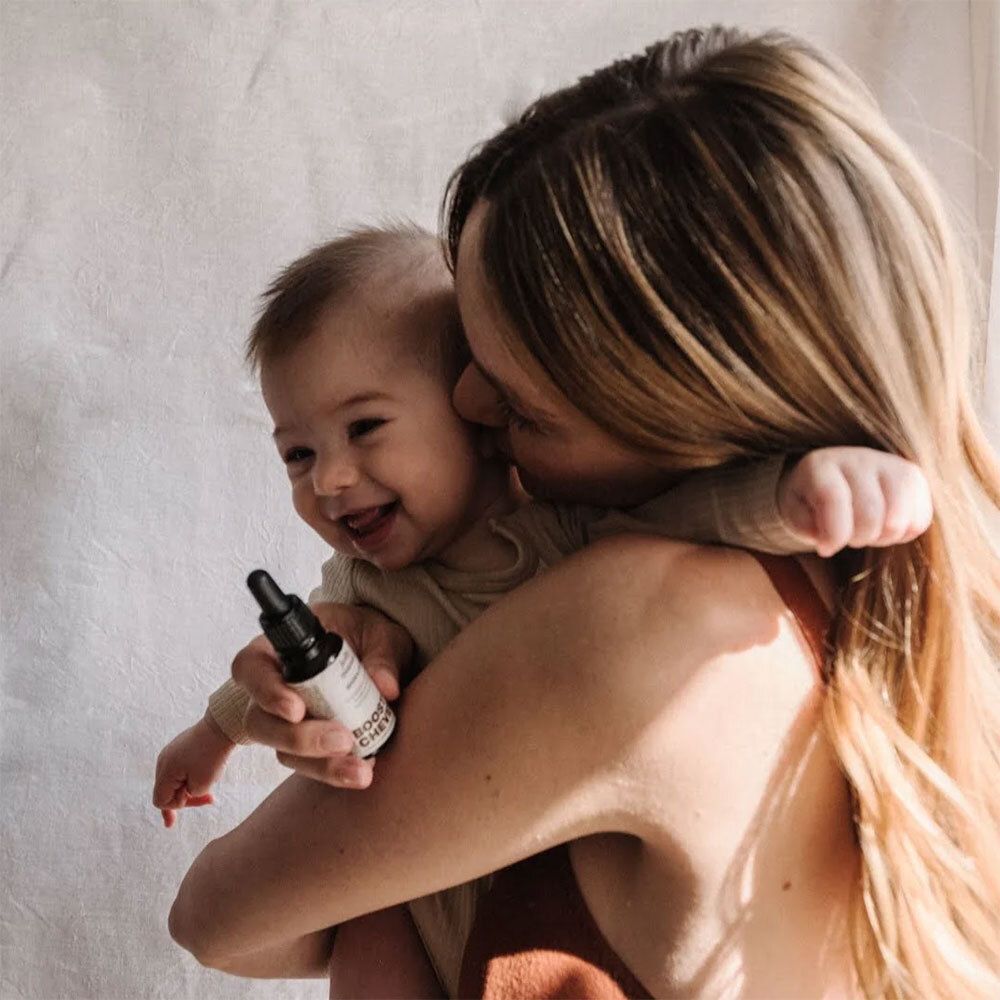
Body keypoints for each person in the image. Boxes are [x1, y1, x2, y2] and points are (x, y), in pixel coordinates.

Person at [168, 26, 1000, 999]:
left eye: (521, 405)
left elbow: (215, 918)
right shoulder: (882, 621)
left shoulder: (631, 617)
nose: (470, 407)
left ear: (681, 406)